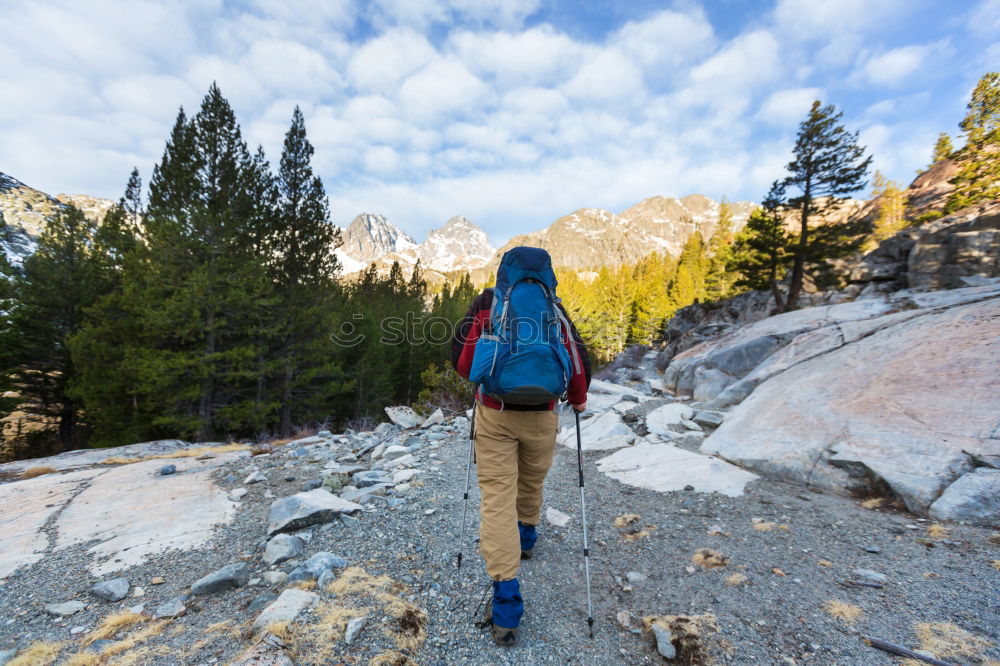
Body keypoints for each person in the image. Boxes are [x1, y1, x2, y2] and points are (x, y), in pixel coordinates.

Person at [451, 246, 591, 646]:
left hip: (495, 412)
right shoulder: (555, 309)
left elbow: (464, 366)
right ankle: (527, 538)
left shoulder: (487, 305)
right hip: (543, 414)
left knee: (497, 497)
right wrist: (578, 399)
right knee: (531, 481)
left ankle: (507, 603)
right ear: (548, 273)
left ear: (504, 272)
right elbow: (577, 362)